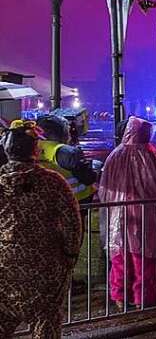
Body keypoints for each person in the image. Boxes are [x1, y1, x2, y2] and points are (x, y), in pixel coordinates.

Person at [0, 120, 83, 339]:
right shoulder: (52, 181)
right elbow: (72, 223)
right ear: (34, 149)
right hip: (44, 265)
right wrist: (70, 255)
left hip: (4, 265)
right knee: (45, 322)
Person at [97, 117, 156, 310]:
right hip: (147, 216)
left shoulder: (115, 155)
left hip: (119, 216)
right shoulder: (154, 156)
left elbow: (104, 189)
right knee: (145, 260)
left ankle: (119, 296)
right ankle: (143, 298)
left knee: (120, 258)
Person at [36, 113, 101, 203]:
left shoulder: (32, 148)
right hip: (76, 200)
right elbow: (88, 178)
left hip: (48, 202)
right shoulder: (61, 150)